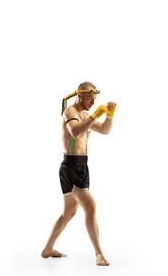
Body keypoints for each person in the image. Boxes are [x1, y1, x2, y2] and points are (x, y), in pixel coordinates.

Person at [41, 81, 116, 266]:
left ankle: (48, 249)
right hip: (71, 166)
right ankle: (99, 254)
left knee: (68, 213)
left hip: (83, 166)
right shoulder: (71, 113)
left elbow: (105, 130)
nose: (93, 102)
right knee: (90, 206)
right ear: (80, 95)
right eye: (91, 98)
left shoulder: (84, 114)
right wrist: (95, 116)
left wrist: (109, 115)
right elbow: (74, 131)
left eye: (95, 99)